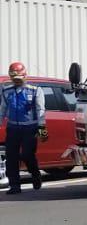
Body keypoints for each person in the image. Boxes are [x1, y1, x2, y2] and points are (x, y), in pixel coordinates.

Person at [2, 63, 46, 193]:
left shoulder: (35, 90)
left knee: (27, 154)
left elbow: (40, 110)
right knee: (11, 157)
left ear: (25, 75)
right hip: (13, 128)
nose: (16, 80)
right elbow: (2, 110)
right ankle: (14, 186)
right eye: (13, 77)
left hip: (30, 128)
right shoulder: (6, 91)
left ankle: (35, 174)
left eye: (18, 77)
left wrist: (42, 130)